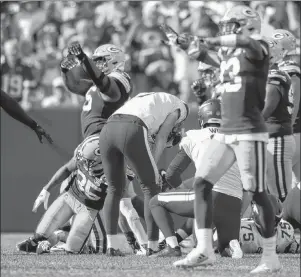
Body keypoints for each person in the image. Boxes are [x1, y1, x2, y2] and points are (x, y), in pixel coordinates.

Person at [167, 5, 280, 273]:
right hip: (227, 130)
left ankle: (271, 256)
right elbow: (219, 62)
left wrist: (207, 42)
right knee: (202, 182)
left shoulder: (258, 46)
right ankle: (204, 249)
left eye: (232, 25)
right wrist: (191, 48)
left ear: (247, 26)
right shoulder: (234, 56)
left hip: (249, 129)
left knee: (258, 192)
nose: (227, 29)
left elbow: (243, 42)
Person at [149, 99, 243, 259]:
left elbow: (172, 174)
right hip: (234, 203)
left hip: (209, 197)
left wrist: (181, 190)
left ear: (201, 120)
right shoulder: (236, 137)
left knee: (155, 202)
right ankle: (232, 244)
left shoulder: (194, 136)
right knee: (223, 249)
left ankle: (172, 247)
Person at [98, 91, 189, 256]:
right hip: (131, 127)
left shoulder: (149, 99)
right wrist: (152, 164)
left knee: (114, 189)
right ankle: (153, 245)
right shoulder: (179, 108)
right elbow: (161, 137)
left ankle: (112, 246)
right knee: (151, 187)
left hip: (108, 128)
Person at [262, 37, 295, 202]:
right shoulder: (267, 75)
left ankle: (289, 227)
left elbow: (268, 106)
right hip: (270, 137)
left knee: (282, 195)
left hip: (277, 139)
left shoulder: (275, 75)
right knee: (271, 195)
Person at [272, 29, 300, 188]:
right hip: (295, 133)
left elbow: (293, 101)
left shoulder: (289, 70)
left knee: (275, 186)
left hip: (291, 133)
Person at [1, 39, 36, 109]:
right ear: (5, 51)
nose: (14, 52)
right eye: (11, 50)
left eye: (15, 49)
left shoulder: (24, 67)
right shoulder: (2, 67)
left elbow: (28, 86)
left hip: (19, 102)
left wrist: (25, 101)